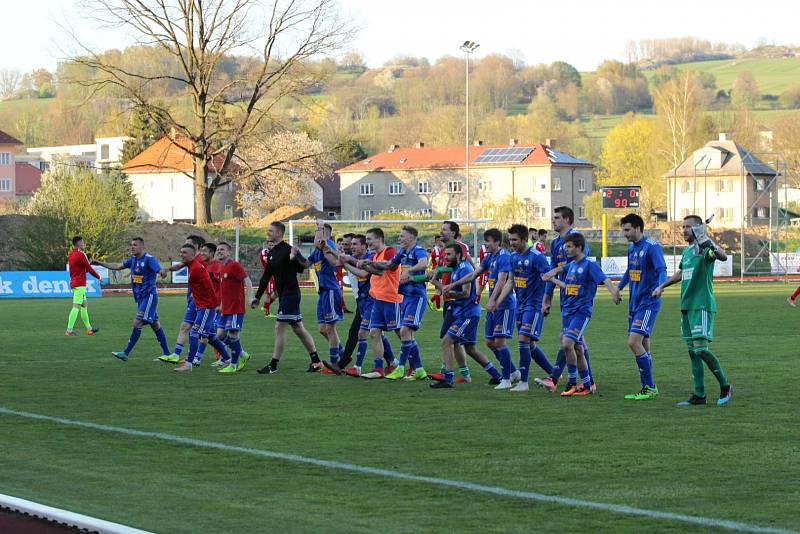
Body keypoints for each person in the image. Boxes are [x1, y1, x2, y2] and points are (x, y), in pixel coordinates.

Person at [652, 215, 733, 406]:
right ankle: (699, 395)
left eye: (688, 227)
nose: (684, 230)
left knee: (701, 350)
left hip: (702, 305)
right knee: (693, 353)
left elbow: (722, 256)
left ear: (698, 229)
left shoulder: (704, 249)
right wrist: (661, 286)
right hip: (686, 307)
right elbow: (680, 273)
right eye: (683, 227)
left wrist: (707, 242)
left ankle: (725, 386)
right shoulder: (688, 251)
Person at [544, 233, 620, 396]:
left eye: (570, 247)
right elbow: (567, 286)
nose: (567, 250)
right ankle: (586, 384)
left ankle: (571, 383)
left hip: (581, 312)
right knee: (577, 348)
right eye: (566, 247)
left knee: (567, 344)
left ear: (579, 247)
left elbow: (605, 280)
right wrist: (552, 280)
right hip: (569, 312)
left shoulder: (590, 265)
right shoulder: (571, 265)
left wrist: (614, 292)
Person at [446, 228, 518, 389]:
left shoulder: (504, 256)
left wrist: (492, 300)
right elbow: (473, 275)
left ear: (497, 242)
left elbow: (502, 281)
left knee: (499, 341)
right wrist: (454, 284)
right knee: (489, 342)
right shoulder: (489, 257)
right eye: (485, 241)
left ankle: (506, 379)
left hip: (504, 304)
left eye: (488, 241)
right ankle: (513, 372)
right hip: (494, 304)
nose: (486, 244)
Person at [535, 207, 593, 392]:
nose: (553, 221)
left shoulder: (577, 239)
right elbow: (551, 270)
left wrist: (556, 272)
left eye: (557, 218)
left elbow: (581, 263)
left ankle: (555, 377)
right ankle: (588, 380)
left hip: (579, 299)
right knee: (575, 342)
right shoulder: (554, 242)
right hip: (565, 298)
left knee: (568, 339)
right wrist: (547, 298)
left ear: (567, 220)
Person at [252, 221, 321, 374]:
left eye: (270, 231)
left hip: (291, 294)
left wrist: (294, 258)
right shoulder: (272, 253)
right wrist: (258, 297)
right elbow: (266, 276)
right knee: (298, 328)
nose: (268, 233)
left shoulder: (289, 250)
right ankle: (316, 361)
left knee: (279, 327)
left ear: (279, 233)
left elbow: (303, 267)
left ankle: (273, 366)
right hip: (284, 295)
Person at [367, 226, 429, 381]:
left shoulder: (418, 250)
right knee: (404, 332)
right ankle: (418, 368)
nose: (399, 238)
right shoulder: (402, 252)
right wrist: (368, 263)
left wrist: (409, 271)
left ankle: (401, 368)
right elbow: (389, 266)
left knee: (403, 331)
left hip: (416, 296)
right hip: (405, 297)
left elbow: (424, 263)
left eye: (402, 236)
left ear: (411, 238)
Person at [94, 237, 171, 361]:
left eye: (135, 245)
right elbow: (117, 266)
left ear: (142, 246)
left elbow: (160, 269)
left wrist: (163, 272)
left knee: (137, 322)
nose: (132, 247)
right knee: (155, 325)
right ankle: (167, 354)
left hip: (149, 296)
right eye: (131, 245)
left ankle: (125, 353)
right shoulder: (133, 260)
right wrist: (100, 263)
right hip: (141, 298)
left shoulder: (149, 259)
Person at [617, 213, 667, 401]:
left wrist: (660, 287)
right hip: (635, 303)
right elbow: (630, 271)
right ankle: (649, 382)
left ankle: (649, 386)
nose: (624, 233)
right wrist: (618, 288)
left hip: (648, 302)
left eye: (627, 229)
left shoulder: (652, 247)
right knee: (644, 341)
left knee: (633, 342)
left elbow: (662, 270)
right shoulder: (632, 248)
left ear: (638, 228)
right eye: (623, 229)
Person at [430, 244, 494, 389]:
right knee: (470, 348)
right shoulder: (456, 268)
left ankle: (448, 378)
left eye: (449, 255)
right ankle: (496, 375)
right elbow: (449, 289)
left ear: (458, 255)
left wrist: (447, 291)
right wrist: (435, 282)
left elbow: (465, 294)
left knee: (447, 341)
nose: (446, 258)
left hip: (467, 313)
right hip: (463, 312)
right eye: (445, 254)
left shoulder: (464, 268)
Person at [507, 225, 553, 392]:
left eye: (515, 240)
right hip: (520, 304)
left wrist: (546, 301)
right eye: (510, 239)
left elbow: (548, 277)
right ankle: (554, 373)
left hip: (533, 306)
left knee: (523, 341)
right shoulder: (513, 257)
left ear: (525, 239)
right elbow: (511, 281)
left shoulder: (537, 257)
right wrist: (496, 300)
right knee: (530, 344)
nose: (511, 243)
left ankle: (523, 383)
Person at [168, 244, 228, 372]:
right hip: (201, 305)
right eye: (181, 252)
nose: (181, 255)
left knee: (194, 332)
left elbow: (209, 287)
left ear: (191, 255)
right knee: (211, 335)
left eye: (184, 253)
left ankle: (189, 363)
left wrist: (215, 305)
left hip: (206, 306)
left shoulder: (197, 269)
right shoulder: (192, 265)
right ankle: (228, 359)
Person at [431, 220, 478, 382]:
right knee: (453, 339)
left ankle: (447, 372)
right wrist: (437, 286)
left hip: (457, 298)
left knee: (449, 337)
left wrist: (474, 290)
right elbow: (440, 271)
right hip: (448, 296)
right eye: (441, 229)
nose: (441, 232)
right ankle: (463, 374)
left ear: (453, 233)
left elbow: (472, 269)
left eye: (444, 230)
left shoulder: (460, 248)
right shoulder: (444, 250)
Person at [159, 235, 207, 364]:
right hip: (193, 299)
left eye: (188, 245)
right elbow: (179, 266)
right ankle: (176, 354)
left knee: (207, 332)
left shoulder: (202, 261)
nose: (185, 248)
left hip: (203, 301)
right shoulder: (191, 260)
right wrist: (167, 269)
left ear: (197, 247)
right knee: (186, 326)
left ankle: (197, 357)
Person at [334, 234, 374, 377]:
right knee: (369, 332)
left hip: (372, 300)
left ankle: (351, 366)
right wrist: (328, 248)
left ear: (364, 246)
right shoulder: (354, 258)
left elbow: (363, 274)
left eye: (354, 244)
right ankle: (393, 362)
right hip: (362, 300)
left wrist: (346, 263)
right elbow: (335, 262)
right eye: (349, 245)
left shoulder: (369, 258)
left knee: (362, 332)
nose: (351, 247)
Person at [310, 220, 344, 371]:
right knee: (322, 329)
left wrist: (320, 227)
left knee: (330, 328)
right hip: (322, 292)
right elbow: (305, 263)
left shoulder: (328, 245)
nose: (317, 236)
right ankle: (343, 352)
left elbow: (335, 262)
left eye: (320, 233)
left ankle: (334, 363)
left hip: (330, 290)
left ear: (327, 235)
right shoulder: (317, 251)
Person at [214, 241, 253, 373]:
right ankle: (241, 353)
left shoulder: (234, 265)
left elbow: (247, 281)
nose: (219, 251)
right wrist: (221, 305)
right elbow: (225, 289)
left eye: (222, 249)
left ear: (229, 252)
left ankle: (234, 364)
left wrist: (250, 297)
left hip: (236, 308)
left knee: (233, 334)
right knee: (219, 335)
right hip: (225, 309)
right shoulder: (221, 267)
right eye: (218, 249)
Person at [65, 235, 101, 337]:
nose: (84, 243)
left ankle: (89, 329)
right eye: (83, 242)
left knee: (84, 305)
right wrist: (99, 277)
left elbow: (80, 269)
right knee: (76, 307)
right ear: (79, 243)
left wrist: (87, 265)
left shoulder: (71, 254)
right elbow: (89, 269)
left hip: (75, 282)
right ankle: (69, 331)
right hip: (80, 284)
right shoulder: (81, 254)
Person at [259, 241, 278, 318]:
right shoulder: (265, 251)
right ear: (267, 245)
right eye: (270, 245)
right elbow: (268, 261)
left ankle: (265, 306)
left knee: (277, 293)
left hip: (275, 276)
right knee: (268, 294)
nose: (271, 246)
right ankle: (267, 313)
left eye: (273, 244)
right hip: (268, 276)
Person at [428, 236, 446, 311]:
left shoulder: (440, 249)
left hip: (440, 271)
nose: (441, 242)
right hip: (437, 271)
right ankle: (438, 307)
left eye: (442, 240)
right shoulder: (436, 250)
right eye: (439, 241)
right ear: (436, 241)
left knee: (442, 288)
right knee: (440, 289)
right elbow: (439, 261)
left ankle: (431, 301)